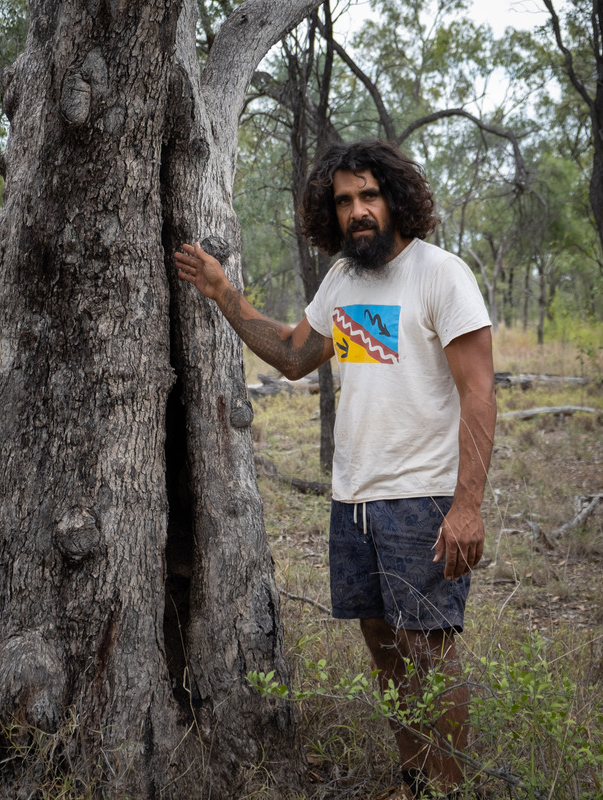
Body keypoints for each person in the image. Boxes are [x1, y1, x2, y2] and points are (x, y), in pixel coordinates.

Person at [174, 139, 495, 797]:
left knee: (428, 654)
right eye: (345, 200)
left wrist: (466, 506)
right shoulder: (346, 280)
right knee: (383, 648)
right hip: (354, 501)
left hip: (422, 500)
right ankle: (415, 779)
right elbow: (294, 356)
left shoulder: (441, 274)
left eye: (368, 195)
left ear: (396, 197)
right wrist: (221, 293)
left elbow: (479, 393)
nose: (358, 211)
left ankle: (448, 788)